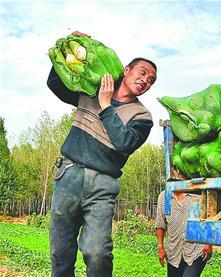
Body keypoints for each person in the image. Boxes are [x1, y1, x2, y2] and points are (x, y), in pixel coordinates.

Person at [47, 31, 157, 277]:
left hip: (102, 186)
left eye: (151, 80)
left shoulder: (142, 116)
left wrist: (106, 105)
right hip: (68, 175)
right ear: (126, 69)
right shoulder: (91, 89)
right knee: (60, 251)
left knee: (98, 252)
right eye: (142, 72)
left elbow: (124, 142)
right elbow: (55, 85)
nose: (146, 80)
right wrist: (67, 50)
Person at [156, 190, 213, 277]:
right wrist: (160, 247)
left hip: (196, 250)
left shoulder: (198, 194)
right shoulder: (164, 196)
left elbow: (209, 219)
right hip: (173, 252)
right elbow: (160, 224)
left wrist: (209, 244)